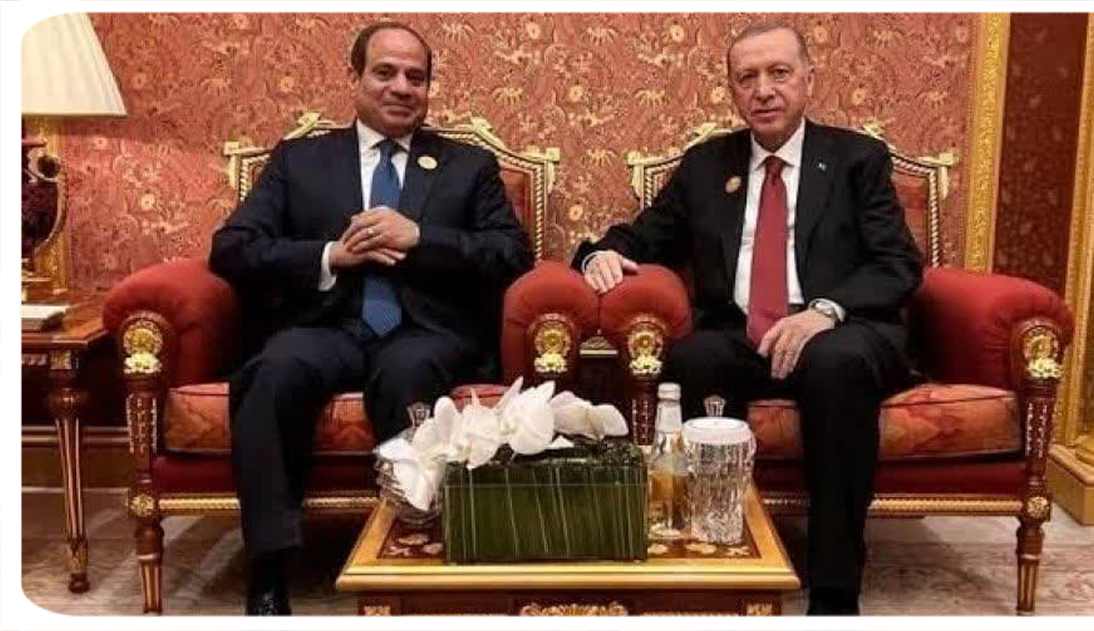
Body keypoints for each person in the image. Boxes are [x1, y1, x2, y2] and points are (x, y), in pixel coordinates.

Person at [573, 23, 922, 616]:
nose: (763, 90)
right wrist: (598, 253)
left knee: (835, 365)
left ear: (808, 78)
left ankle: (835, 590)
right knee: (694, 357)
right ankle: (714, 552)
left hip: (840, 330)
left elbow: (898, 264)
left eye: (779, 73)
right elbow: (647, 236)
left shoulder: (856, 159)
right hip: (742, 333)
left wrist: (825, 311)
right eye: (747, 78)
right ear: (732, 91)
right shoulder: (707, 165)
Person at [209, 21, 533, 615]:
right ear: (354, 78)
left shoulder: (467, 165)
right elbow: (232, 249)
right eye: (385, 72)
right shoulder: (300, 160)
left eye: (416, 76)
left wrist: (421, 237)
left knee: (408, 371)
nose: (402, 87)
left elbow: (512, 255)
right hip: (322, 327)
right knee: (273, 372)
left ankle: (410, 549)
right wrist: (330, 255)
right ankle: (269, 571)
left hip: (423, 331)